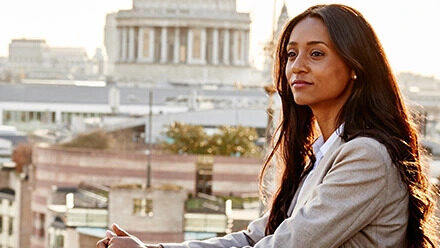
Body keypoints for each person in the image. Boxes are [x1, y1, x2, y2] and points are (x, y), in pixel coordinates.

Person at [97, 4, 437, 248]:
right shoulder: (322, 155)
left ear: (355, 66)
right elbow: (256, 236)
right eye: (290, 54)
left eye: (316, 54)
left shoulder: (365, 156)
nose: (297, 67)